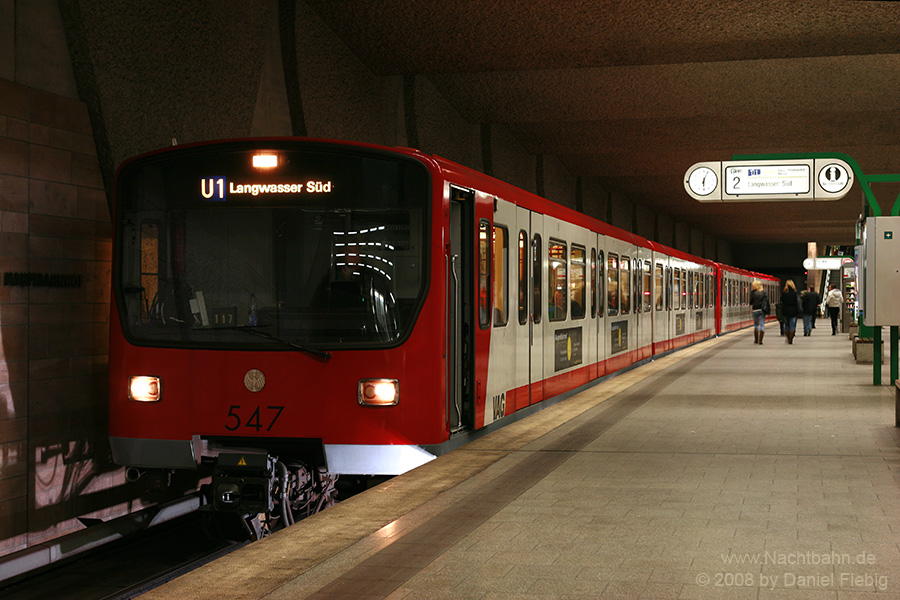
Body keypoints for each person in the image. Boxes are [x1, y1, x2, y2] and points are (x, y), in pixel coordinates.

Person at [749, 280, 770, 344]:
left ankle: (756, 340)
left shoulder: (753, 293)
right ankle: (760, 341)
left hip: (755, 310)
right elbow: (766, 302)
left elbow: (750, 302)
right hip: (762, 310)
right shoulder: (764, 293)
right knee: (762, 324)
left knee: (756, 324)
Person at [780, 280, 800, 344]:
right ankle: (791, 339)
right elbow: (797, 302)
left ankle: (788, 338)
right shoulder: (795, 293)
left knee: (787, 325)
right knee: (792, 326)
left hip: (786, 311)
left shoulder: (784, 293)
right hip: (794, 311)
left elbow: (782, 301)